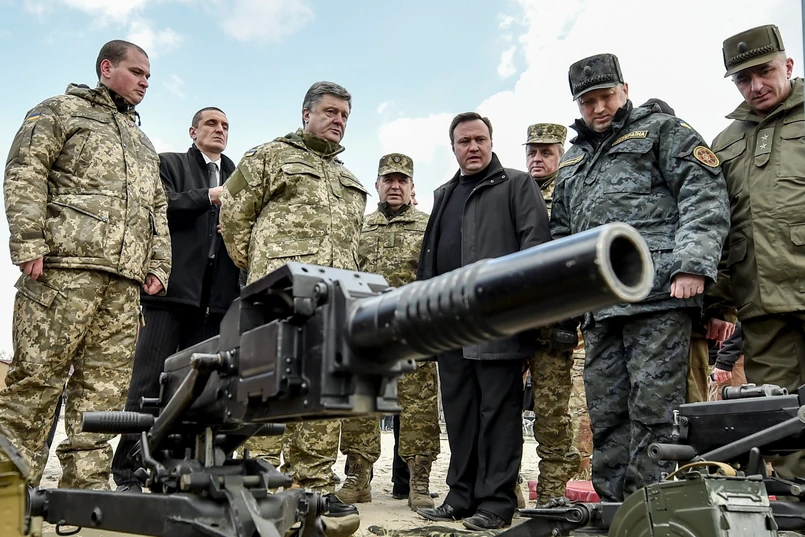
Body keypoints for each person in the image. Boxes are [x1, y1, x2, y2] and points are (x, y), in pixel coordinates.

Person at [550, 53, 730, 502]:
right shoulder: (573, 160)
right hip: (599, 305)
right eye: (587, 101)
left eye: (606, 96)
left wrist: (692, 264)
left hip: (658, 297)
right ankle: (615, 509)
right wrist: (567, 301)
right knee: (607, 414)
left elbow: (703, 194)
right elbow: (562, 235)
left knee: (655, 411)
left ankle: (652, 508)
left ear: (625, 90)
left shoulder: (663, 131)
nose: (598, 108)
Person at [0, 39, 171, 489]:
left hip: (123, 285)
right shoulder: (60, 111)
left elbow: (157, 206)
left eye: (149, 76)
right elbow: (25, 170)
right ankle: (9, 494)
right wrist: (28, 241)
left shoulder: (142, 141)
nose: (145, 82)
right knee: (35, 383)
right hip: (63, 271)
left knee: (103, 394)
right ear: (106, 68)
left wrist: (158, 264)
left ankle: (86, 491)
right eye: (137, 72)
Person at [220, 81, 367, 517]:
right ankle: (260, 482)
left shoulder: (349, 179)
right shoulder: (268, 156)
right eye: (330, 112)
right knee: (268, 384)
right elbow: (234, 217)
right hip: (278, 295)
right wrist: (264, 269)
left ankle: (314, 485)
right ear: (307, 114)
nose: (338, 121)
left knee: (323, 390)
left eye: (344, 115)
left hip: (333, 298)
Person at [416, 112, 549, 530]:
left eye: (479, 139)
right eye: (464, 141)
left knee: (499, 416)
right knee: (459, 415)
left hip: (497, 324)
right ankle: (460, 496)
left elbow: (535, 253)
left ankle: (496, 502)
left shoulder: (517, 185)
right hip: (450, 325)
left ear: (491, 142)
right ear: (453, 147)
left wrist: (524, 321)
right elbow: (430, 262)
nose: (472, 147)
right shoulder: (444, 195)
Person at [112, 107, 241, 492]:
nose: (219, 130)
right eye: (211, 123)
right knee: (148, 385)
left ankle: (180, 474)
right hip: (169, 296)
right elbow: (158, 207)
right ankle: (129, 473)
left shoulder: (239, 176)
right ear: (192, 131)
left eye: (225, 126)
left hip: (216, 304)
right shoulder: (169, 164)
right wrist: (207, 197)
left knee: (200, 392)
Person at [708, 24, 805, 478]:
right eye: (743, 79)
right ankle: (797, 500)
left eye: (765, 71)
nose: (756, 86)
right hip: (761, 304)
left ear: (788, 65)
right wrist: (716, 302)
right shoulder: (724, 143)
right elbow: (718, 227)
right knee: (780, 417)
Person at [336, 153, 440, 510]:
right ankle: (358, 478)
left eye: (402, 180)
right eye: (388, 180)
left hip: (413, 332)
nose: (395, 186)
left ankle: (419, 482)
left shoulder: (428, 226)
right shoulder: (360, 227)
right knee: (362, 404)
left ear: (412, 187)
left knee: (418, 411)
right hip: (368, 332)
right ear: (377, 184)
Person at [521, 123, 584, 501]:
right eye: (532, 151)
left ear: (561, 154)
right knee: (499, 410)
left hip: (554, 323)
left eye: (546, 152)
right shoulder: (514, 192)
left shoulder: (572, 190)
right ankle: (505, 486)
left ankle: (552, 491)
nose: (537, 159)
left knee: (551, 412)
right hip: (513, 320)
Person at [708, 323, 747, 401]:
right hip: (727, 356)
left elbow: (737, 324)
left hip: (733, 361)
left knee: (727, 404)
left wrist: (725, 361)